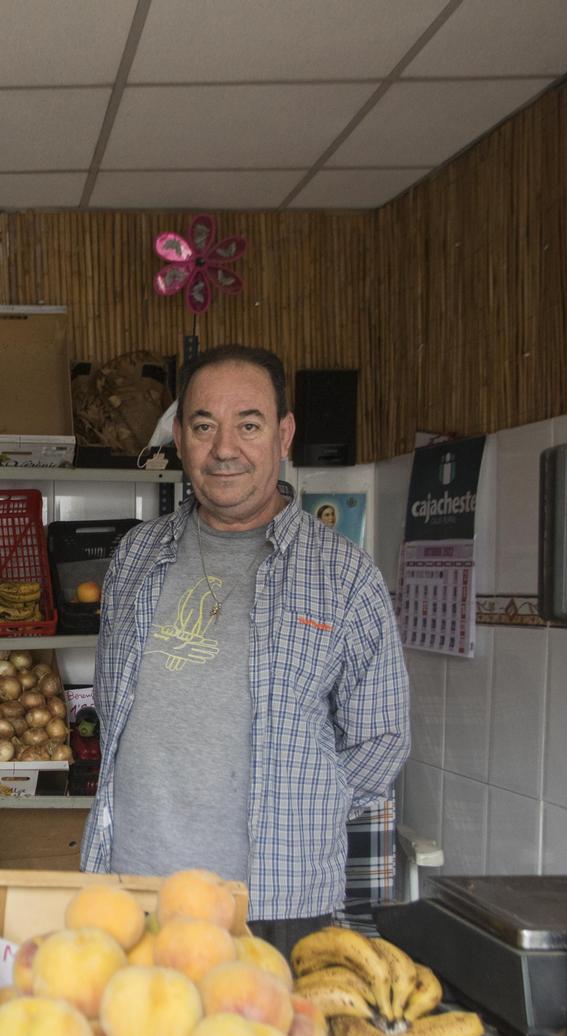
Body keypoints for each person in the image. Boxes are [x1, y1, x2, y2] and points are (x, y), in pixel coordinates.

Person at [80, 345, 409, 953]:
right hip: (135, 895)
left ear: (284, 435)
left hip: (277, 906)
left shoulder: (342, 576)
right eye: (204, 426)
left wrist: (302, 803)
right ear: (179, 438)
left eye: (249, 425)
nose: (224, 448)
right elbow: (115, 704)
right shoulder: (136, 557)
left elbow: (381, 740)